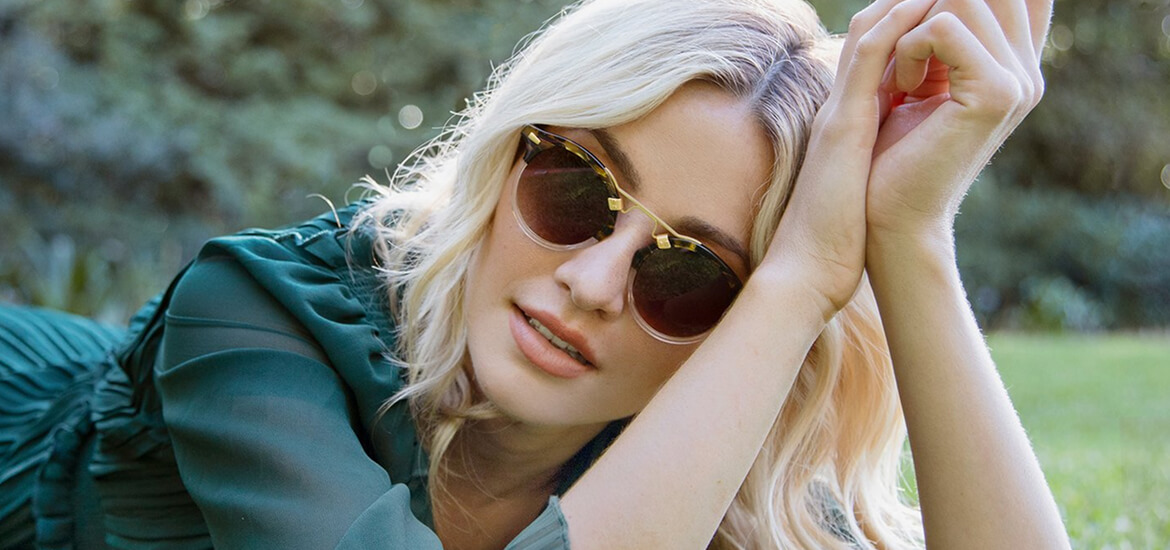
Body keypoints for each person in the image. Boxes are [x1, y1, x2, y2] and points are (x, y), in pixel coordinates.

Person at [0, 0, 1069, 548]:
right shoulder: (255, 317)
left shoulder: (709, 438)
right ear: (505, 149)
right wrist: (793, 279)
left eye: (690, 272)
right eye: (574, 187)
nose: (594, 283)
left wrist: (906, 239)